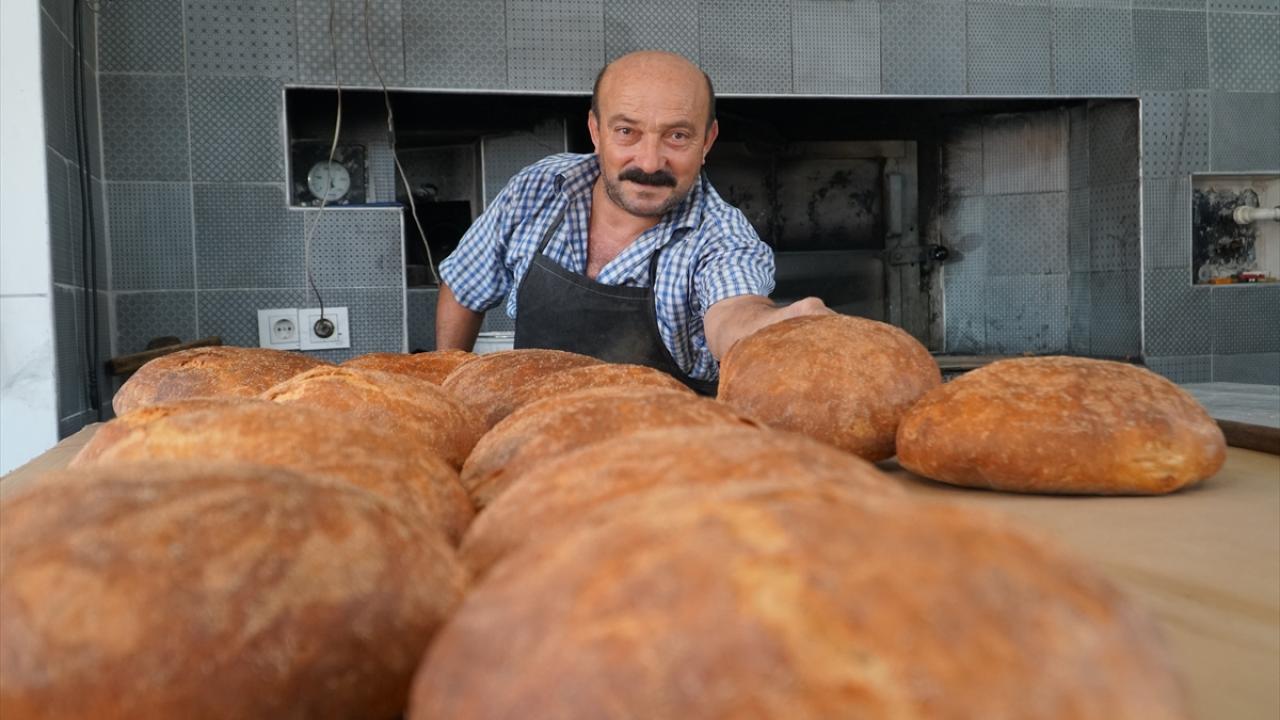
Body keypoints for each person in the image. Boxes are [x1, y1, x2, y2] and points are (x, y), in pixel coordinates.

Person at [435, 50, 831, 395]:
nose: (648, 162)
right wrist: (446, 386)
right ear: (596, 131)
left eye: (677, 136)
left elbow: (734, 313)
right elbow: (465, 283)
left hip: (660, 459)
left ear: (708, 141)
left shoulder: (721, 237)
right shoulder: (539, 188)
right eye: (627, 132)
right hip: (533, 441)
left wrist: (773, 330)